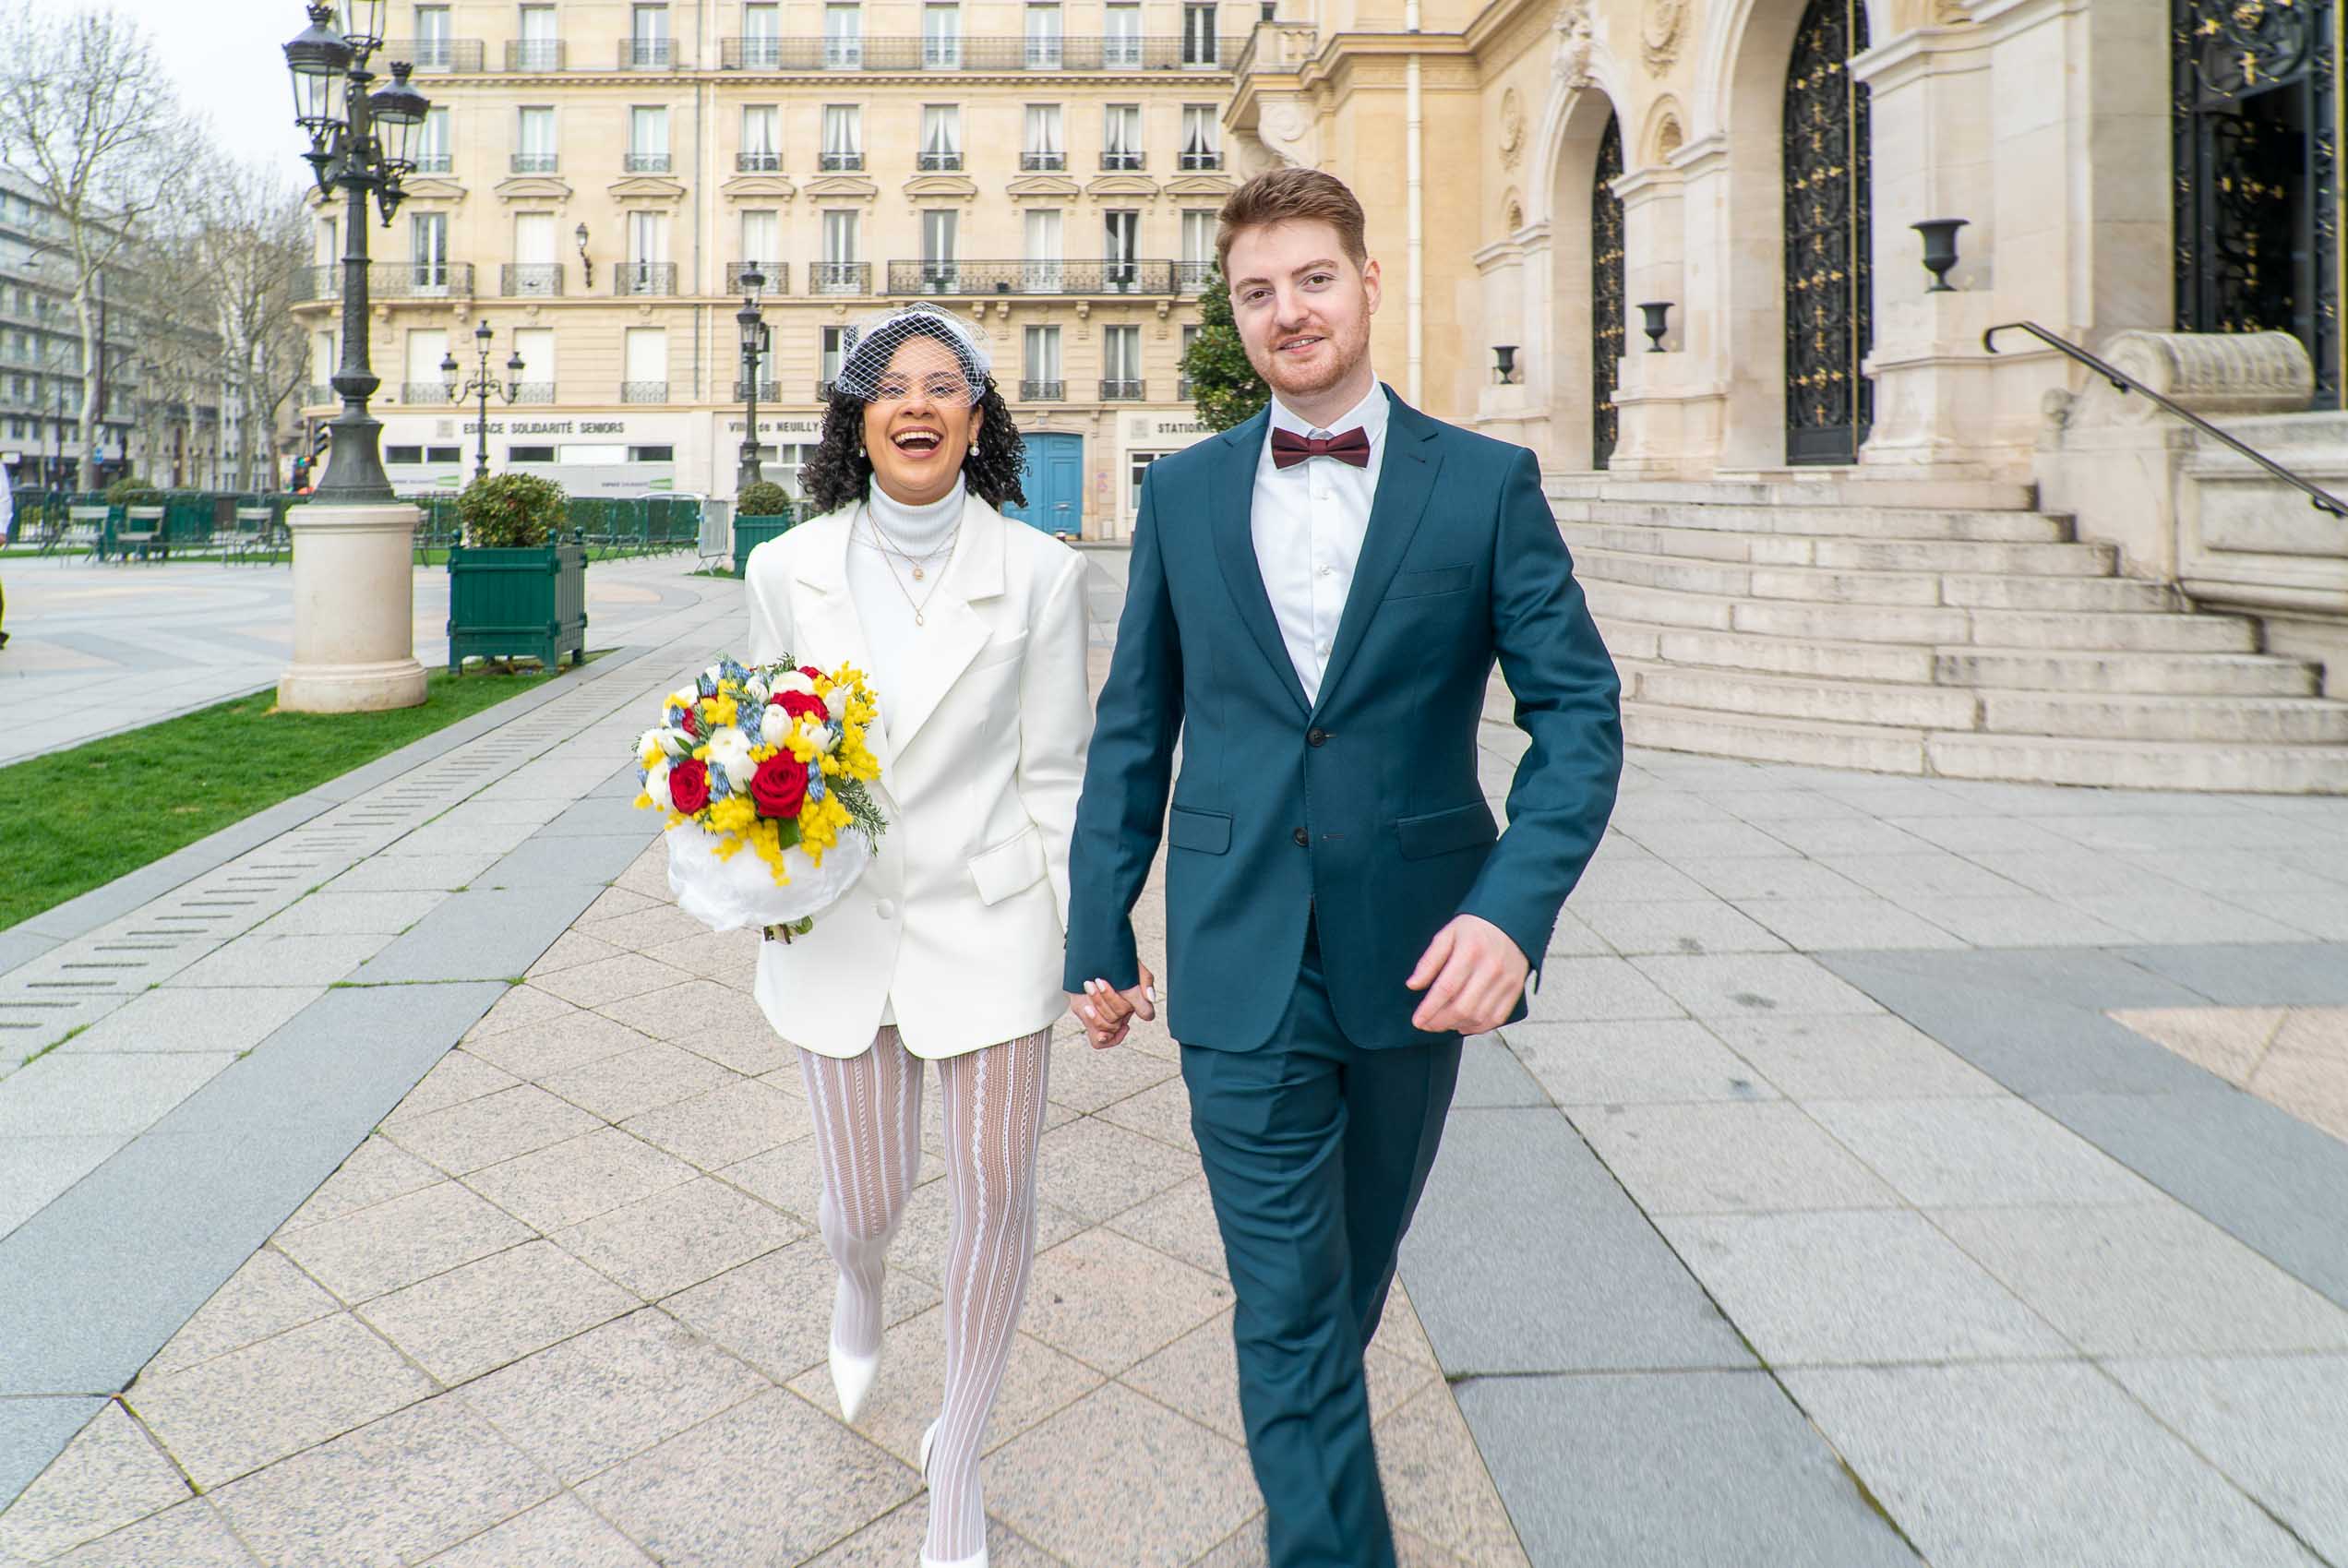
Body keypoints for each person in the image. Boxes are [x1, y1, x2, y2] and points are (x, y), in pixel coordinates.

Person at [1065, 168, 1623, 1568]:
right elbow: (1137, 727)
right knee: (1292, 1309)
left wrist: (1514, 915)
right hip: (1236, 953)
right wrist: (1096, 927)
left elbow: (1582, 719)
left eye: (1312, 278)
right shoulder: (1184, 495)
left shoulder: (1486, 485)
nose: (1287, 311)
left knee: (1339, 1294)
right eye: (1257, 292)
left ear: (1369, 286)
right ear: (1236, 317)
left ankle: (1307, 1445)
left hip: (1418, 961)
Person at [741, 305, 1093, 1568]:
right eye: (893, 389)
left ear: (979, 422)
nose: (920, 404)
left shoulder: (1046, 575)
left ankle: (960, 1447)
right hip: (839, 928)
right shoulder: (786, 571)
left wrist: (1079, 934)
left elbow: (1058, 775)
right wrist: (757, 875)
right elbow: (753, 748)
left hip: (992, 925)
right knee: (867, 1201)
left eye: (948, 387)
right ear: (856, 422)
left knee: (998, 1190)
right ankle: (857, 1279)